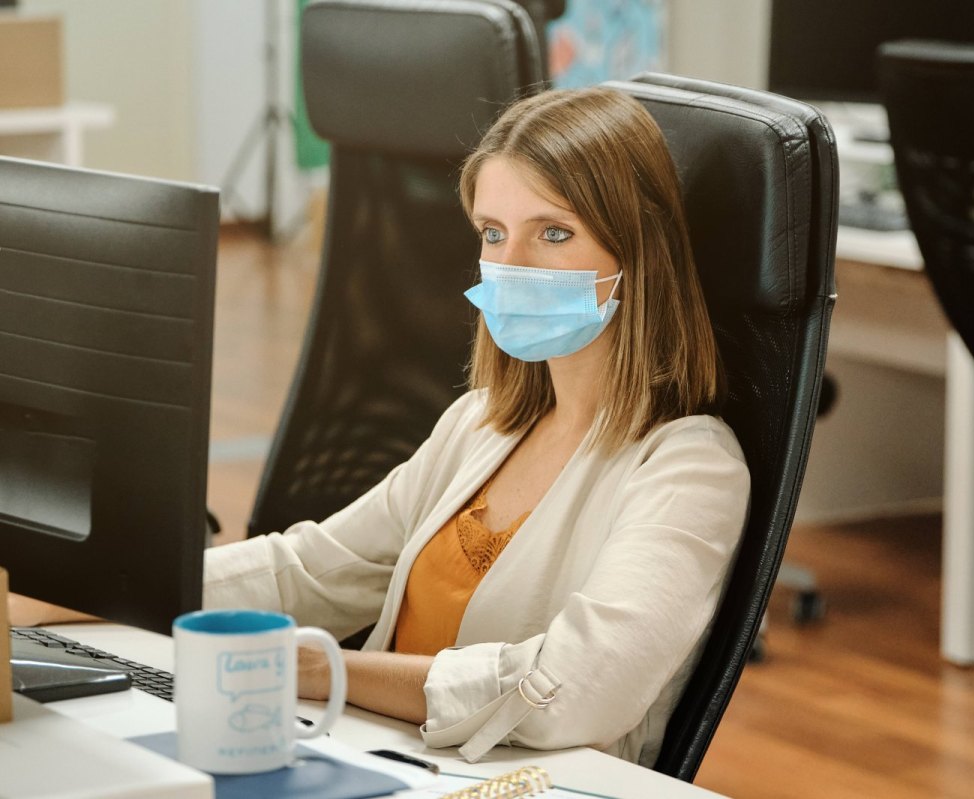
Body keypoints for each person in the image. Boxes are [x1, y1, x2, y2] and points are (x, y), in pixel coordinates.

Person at [205, 87, 752, 767]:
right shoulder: (480, 422)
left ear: (639, 254)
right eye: (494, 232)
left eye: (553, 232)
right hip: (373, 760)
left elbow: (573, 691)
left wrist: (321, 670)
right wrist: (118, 589)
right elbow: (311, 570)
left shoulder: (692, 467)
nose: (511, 262)